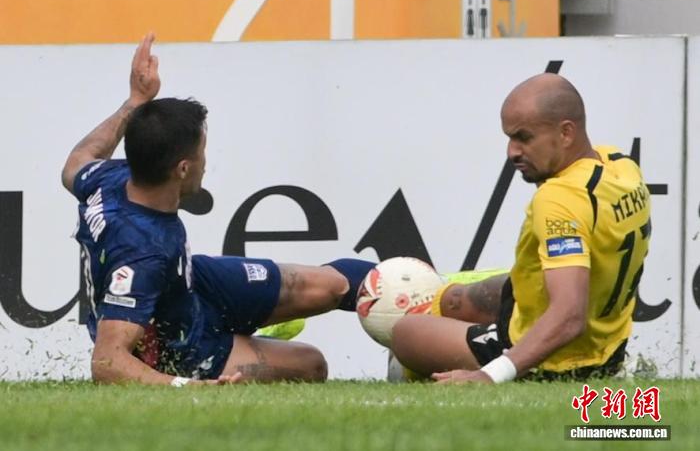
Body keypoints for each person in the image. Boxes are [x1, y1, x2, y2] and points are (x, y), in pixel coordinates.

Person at [61, 33, 374, 386]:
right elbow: (107, 362)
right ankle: (244, 337)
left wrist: (135, 102)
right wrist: (188, 387)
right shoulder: (140, 257)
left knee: (333, 285)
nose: (206, 164)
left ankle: (424, 297)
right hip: (181, 344)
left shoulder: (107, 177)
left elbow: (77, 160)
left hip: (192, 286)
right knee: (311, 364)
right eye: (202, 153)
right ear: (182, 168)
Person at [391, 73, 651, 384]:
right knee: (460, 299)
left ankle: (435, 374)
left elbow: (569, 315)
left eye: (524, 138)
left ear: (566, 133)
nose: (512, 152)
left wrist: (489, 376)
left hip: (556, 360)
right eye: (509, 138)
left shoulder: (559, 198)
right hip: (609, 346)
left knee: (405, 333)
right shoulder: (620, 165)